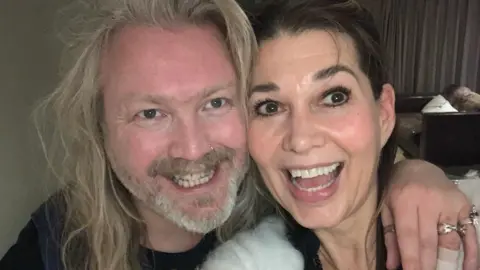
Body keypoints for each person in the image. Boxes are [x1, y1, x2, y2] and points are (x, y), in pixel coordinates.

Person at [0, 0, 476, 270]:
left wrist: (413, 172)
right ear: (100, 130)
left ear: (384, 110)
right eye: (149, 112)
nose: (193, 148)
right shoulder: (56, 244)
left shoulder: (277, 204)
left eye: (216, 102)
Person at [203, 0, 480, 270]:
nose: (300, 139)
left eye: (334, 97)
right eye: (270, 107)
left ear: (383, 113)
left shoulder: (465, 224)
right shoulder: (245, 262)